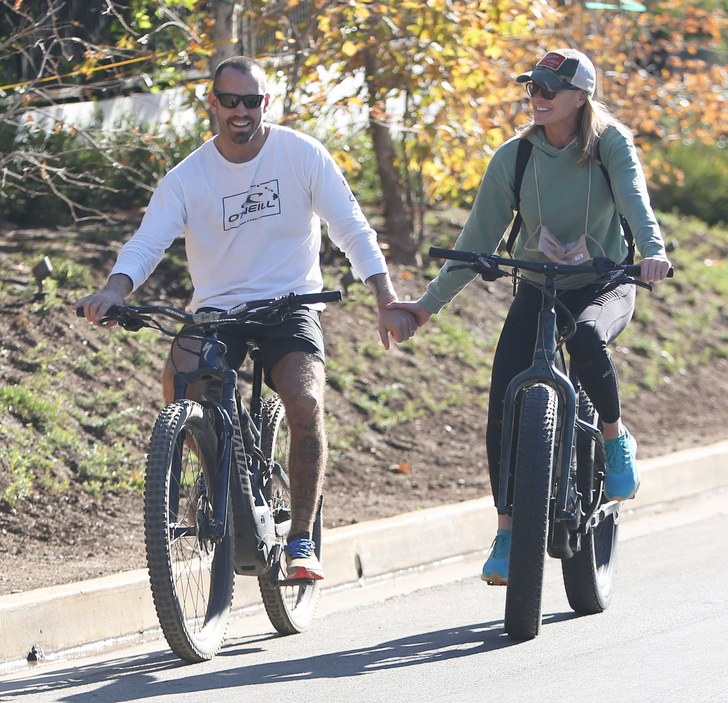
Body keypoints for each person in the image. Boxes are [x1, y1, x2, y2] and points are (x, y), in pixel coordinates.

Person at [76, 55, 418, 582]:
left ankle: (301, 539)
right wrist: (113, 290)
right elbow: (147, 243)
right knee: (179, 377)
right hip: (218, 310)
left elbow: (350, 228)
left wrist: (385, 296)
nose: (241, 110)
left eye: (252, 100)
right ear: (211, 103)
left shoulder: (300, 154)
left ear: (266, 102)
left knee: (305, 401)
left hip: (291, 304)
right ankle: (211, 475)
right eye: (230, 100)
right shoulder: (187, 177)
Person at [387, 48, 671, 585]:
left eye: (548, 88)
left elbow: (635, 202)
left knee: (587, 337)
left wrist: (651, 252)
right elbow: (476, 240)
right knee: (505, 398)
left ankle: (614, 439)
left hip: (605, 283)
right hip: (540, 285)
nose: (536, 97)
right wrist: (424, 308)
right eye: (531, 87)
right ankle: (509, 531)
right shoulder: (515, 157)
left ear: (580, 96)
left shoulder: (609, 143)